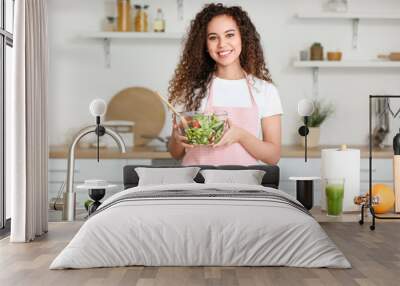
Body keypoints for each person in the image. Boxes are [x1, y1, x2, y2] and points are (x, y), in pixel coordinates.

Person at [167, 3, 282, 166]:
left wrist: (240, 135)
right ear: (204, 45)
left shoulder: (265, 90)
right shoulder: (191, 89)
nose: (222, 44)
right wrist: (176, 139)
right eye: (213, 37)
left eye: (230, 35)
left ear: (243, 37)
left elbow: (273, 156)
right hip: (196, 184)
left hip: (244, 186)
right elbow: (175, 153)